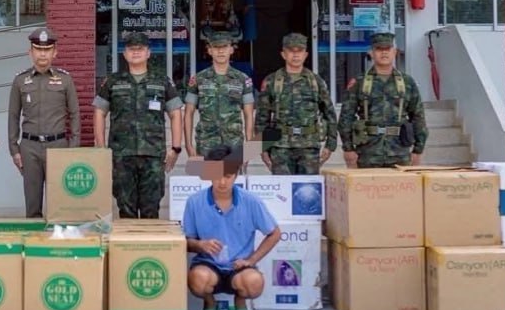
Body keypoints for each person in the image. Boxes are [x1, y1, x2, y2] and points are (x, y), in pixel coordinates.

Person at [183, 144, 281, 310]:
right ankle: (210, 303)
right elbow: (186, 241)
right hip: (208, 264)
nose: (222, 182)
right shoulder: (194, 202)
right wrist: (200, 245)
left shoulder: (251, 201)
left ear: (236, 175)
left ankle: (240, 303)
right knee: (197, 280)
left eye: (228, 176)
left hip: (239, 266)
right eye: (217, 176)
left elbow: (274, 233)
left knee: (254, 282)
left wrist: (251, 260)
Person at [94, 32, 185, 219]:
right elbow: (99, 112)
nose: (136, 52)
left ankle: (149, 239)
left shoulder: (162, 81)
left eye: (140, 49)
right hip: (121, 156)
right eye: (131, 49)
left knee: (151, 209)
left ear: (148, 53)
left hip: (153, 155)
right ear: (124, 53)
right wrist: (102, 149)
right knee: (125, 208)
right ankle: (128, 239)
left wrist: (176, 148)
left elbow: (176, 113)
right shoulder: (113, 81)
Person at [8, 28, 80, 217]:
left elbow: (74, 114)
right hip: (29, 147)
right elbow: (13, 116)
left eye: (47, 50)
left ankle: (59, 235)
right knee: (32, 204)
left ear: (55, 52)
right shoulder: (20, 80)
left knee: (60, 205)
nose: (42, 54)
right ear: (30, 52)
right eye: (38, 49)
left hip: (58, 146)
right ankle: (34, 235)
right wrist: (14, 149)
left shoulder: (65, 80)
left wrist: (73, 148)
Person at [337, 32, 428, 168]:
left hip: (399, 152)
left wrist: (418, 150)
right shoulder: (360, 82)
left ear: (394, 52)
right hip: (367, 152)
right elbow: (346, 117)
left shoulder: (407, 82)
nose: (384, 53)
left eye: (388, 49)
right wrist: (348, 148)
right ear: (371, 53)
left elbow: (418, 116)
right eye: (379, 49)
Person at [255, 33, 338, 175]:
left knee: (308, 187)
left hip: (309, 147)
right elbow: (262, 117)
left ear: (305, 55)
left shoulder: (315, 81)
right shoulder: (272, 81)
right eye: (291, 51)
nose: (295, 55)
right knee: (282, 187)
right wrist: (261, 148)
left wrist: (330, 145)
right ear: (283, 54)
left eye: (299, 51)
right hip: (280, 147)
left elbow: (329, 113)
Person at [184, 31, 254, 160]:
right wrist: (188, 144)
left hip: (234, 143)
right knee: (204, 173)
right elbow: (188, 112)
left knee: (233, 174)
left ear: (231, 49)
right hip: (206, 143)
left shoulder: (243, 79)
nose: (220, 51)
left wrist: (249, 148)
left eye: (224, 47)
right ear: (209, 50)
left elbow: (249, 114)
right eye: (216, 47)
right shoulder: (198, 79)